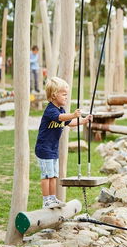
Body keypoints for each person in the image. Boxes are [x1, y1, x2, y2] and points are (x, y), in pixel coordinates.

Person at [35, 77, 93, 208]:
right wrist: (73, 114)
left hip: (52, 148)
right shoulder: (51, 110)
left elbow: (69, 123)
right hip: (44, 148)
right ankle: (46, 200)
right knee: (46, 175)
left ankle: (52, 198)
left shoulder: (61, 109)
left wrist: (83, 121)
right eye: (64, 94)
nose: (67, 97)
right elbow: (60, 118)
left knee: (53, 175)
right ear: (54, 95)